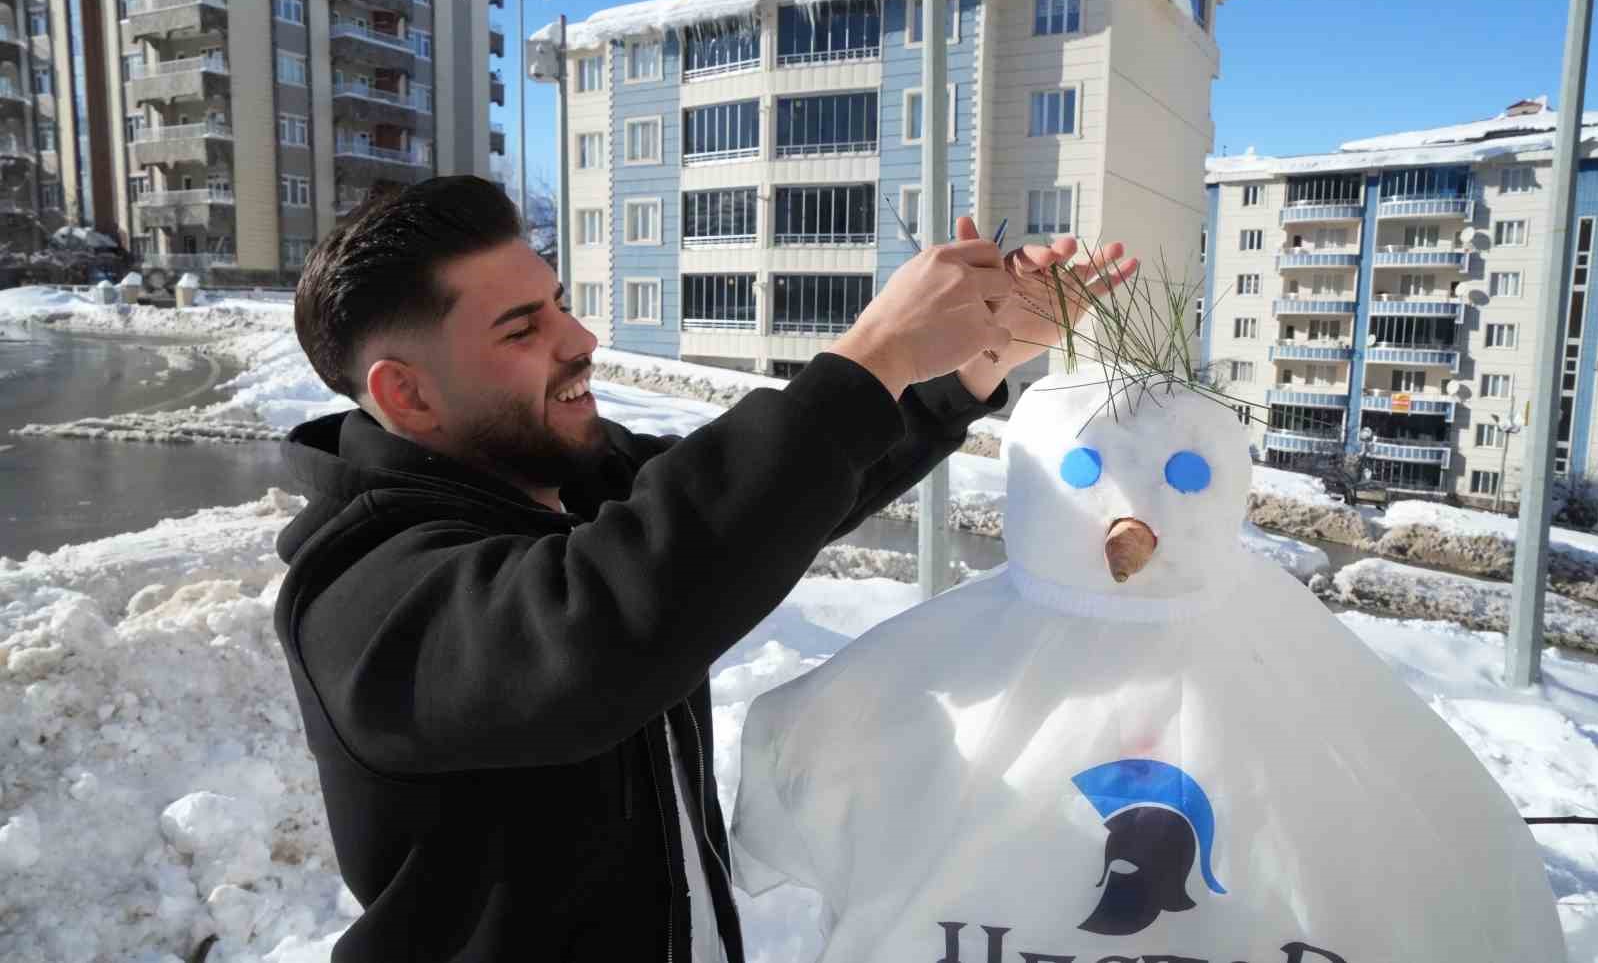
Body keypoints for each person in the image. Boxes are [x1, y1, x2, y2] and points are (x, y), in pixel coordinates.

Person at [273, 175, 1137, 962]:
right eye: (522, 328)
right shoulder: (363, 592)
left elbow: (773, 501)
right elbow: (604, 626)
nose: (581, 338)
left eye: (560, 303)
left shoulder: (575, 481)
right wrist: (875, 354)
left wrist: (972, 367)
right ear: (408, 395)